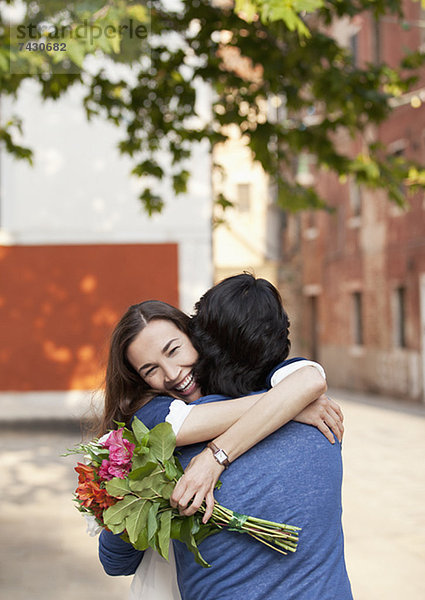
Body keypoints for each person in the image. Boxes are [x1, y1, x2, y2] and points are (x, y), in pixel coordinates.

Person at [98, 275, 351, 599]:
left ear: (200, 341)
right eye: (151, 369)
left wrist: (215, 457)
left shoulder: (161, 453)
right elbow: (306, 380)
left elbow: (115, 560)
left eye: (174, 350)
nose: (173, 374)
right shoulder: (321, 423)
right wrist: (292, 406)